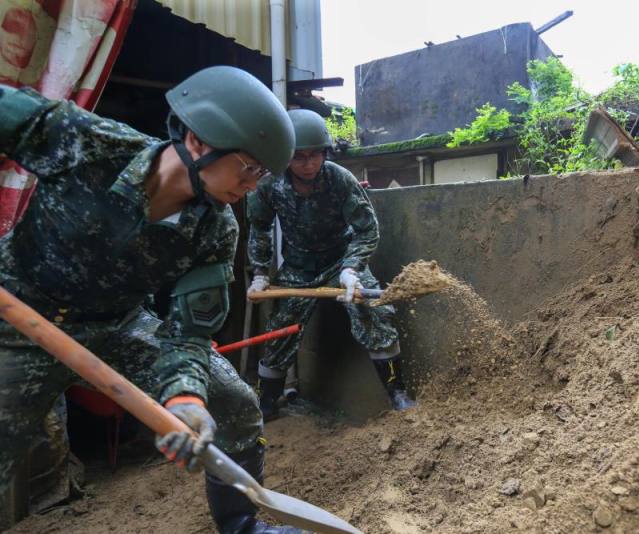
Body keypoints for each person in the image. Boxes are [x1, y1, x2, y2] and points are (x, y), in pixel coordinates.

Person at [0, 65, 302, 534]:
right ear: (200, 141)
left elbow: (189, 331)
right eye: (250, 167)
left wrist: (186, 396)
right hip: (15, 319)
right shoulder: (87, 143)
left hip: (116, 326)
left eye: (262, 174)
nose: (253, 185)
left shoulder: (216, 229)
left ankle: (242, 528)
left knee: (233, 402)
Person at [246, 109, 416, 420]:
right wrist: (260, 273)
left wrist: (352, 268)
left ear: (325, 153)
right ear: (286, 157)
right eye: (299, 157)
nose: (308, 164)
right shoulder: (269, 186)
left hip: (341, 260)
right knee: (280, 328)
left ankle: (398, 393)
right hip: (298, 267)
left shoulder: (340, 179)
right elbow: (259, 227)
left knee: (372, 310)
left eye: (315, 155)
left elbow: (367, 229)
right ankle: (267, 402)